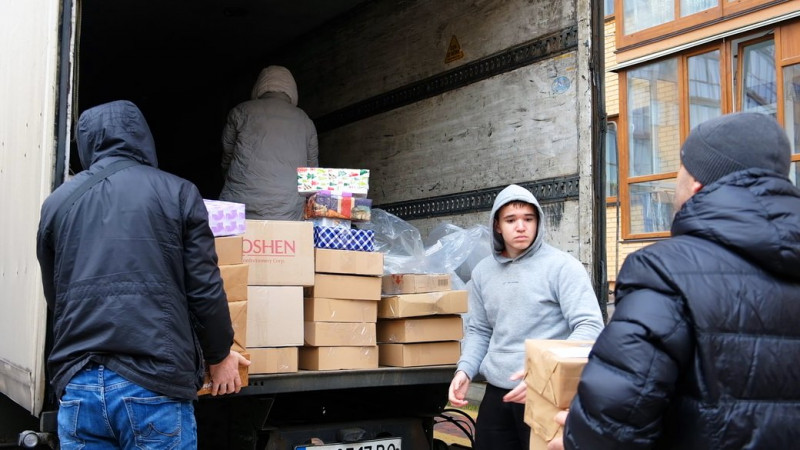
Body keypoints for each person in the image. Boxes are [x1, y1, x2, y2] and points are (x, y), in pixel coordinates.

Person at [549, 112, 800, 450]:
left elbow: (615, 422)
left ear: (697, 183)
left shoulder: (662, 270)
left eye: (682, 167)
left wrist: (576, 438)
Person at [37, 100, 249, 449]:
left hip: (79, 385)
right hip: (154, 383)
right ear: (141, 137)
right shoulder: (177, 192)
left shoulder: (57, 204)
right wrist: (219, 355)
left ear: (86, 143)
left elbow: (56, 297)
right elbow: (204, 288)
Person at [448, 184, 604, 450]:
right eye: (511, 220)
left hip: (547, 395)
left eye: (528, 219)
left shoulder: (563, 267)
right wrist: (465, 369)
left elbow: (590, 326)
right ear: (497, 225)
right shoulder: (483, 272)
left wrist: (544, 376)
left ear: (538, 222)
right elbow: (480, 330)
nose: (521, 227)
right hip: (497, 394)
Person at [219, 65, 319, 220]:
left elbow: (227, 158)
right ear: (292, 90)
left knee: (235, 235)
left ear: (259, 86)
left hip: (240, 204)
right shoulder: (305, 121)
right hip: (287, 209)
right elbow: (312, 174)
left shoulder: (240, 112)